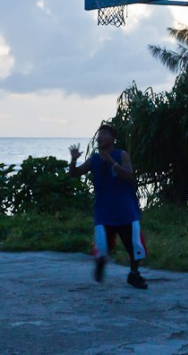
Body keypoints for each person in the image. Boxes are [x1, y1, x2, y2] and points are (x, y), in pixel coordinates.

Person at [69, 124, 148, 289]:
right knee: (103, 246)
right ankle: (100, 262)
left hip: (125, 210)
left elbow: (129, 175)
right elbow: (74, 174)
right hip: (103, 211)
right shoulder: (94, 159)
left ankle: (134, 274)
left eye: (103, 134)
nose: (99, 137)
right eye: (98, 135)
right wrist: (74, 159)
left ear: (113, 138)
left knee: (134, 246)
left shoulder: (122, 154)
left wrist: (111, 161)